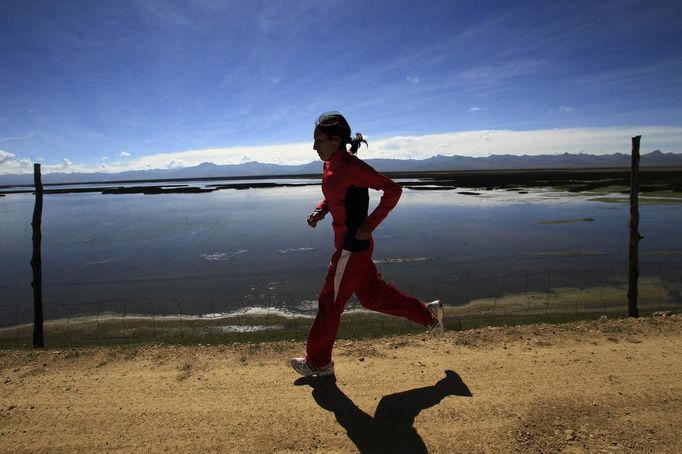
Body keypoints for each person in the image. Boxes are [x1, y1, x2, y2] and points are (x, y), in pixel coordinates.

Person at [291, 112, 444, 378]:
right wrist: (320, 210)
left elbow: (392, 190)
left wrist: (369, 225)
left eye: (319, 140)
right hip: (350, 248)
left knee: (330, 303)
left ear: (336, 140)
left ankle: (319, 362)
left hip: (352, 248)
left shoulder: (353, 167)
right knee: (373, 296)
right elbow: (335, 196)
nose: (314, 147)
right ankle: (429, 315)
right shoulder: (330, 165)